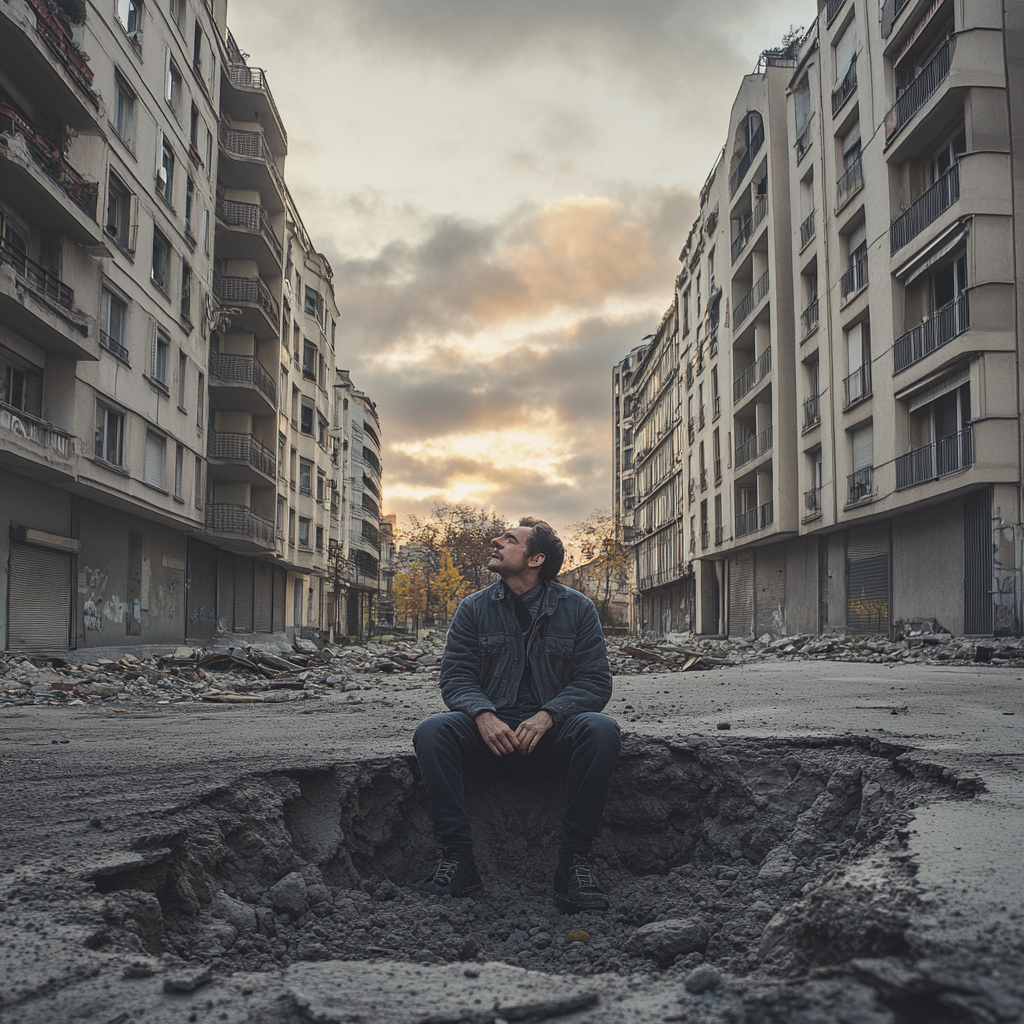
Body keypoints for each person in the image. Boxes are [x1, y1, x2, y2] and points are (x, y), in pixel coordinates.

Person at [412, 517, 621, 913]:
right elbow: (456, 678)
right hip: (491, 733)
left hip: (552, 733)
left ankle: (574, 862)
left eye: (510, 539)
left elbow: (595, 682)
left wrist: (549, 715)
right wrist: (483, 715)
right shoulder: (473, 608)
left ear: (536, 559)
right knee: (433, 732)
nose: (496, 540)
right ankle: (458, 860)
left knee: (601, 730)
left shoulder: (577, 609)